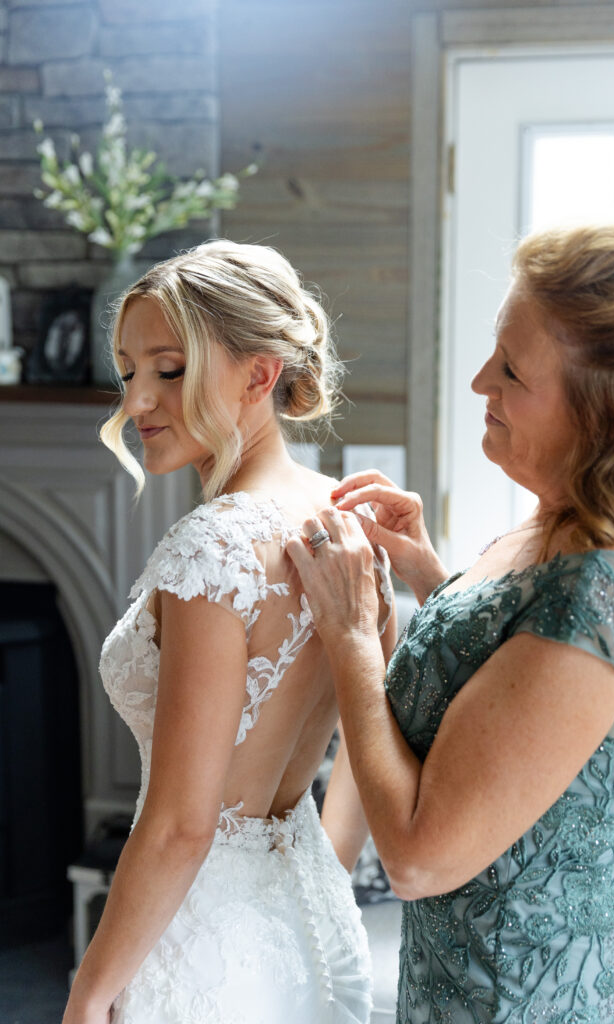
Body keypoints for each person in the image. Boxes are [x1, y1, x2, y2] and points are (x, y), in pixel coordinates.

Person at [287, 215, 614, 1023]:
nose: (477, 383)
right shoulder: (588, 511)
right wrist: (439, 580)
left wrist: (353, 636)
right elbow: (521, 688)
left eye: (510, 370)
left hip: (526, 986)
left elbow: (421, 859)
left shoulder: (603, 593)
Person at [62, 240, 395, 1024]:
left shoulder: (211, 546)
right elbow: (363, 741)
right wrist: (317, 876)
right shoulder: (345, 522)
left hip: (200, 944)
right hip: (315, 925)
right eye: (128, 372)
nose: (135, 403)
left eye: (169, 370)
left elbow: (181, 824)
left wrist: (87, 993)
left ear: (258, 373)